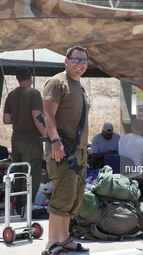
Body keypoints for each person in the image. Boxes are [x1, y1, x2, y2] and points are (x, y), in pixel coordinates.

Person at [42, 45, 90, 255]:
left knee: (75, 197)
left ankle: (64, 238)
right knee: (62, 195)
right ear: (66, 60)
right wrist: (55, 142)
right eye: (76, 59)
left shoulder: (79, 86)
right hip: (63, 150)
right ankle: (51, 244)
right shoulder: (57, 82)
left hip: (79, 151)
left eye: (84, 60)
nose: (80, 63)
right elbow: (47, 115)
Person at [3, 66, 46, 216]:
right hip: (31, 140)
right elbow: (37, 117)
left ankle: (19, 207)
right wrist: (48, 136)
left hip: (16, 140)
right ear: (31, 77)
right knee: (32, 175)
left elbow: (6, 120)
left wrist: (19, 118)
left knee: (20, 175)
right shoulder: (34, 93)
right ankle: (29, 207)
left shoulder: (11, 94)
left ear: (17, 78)